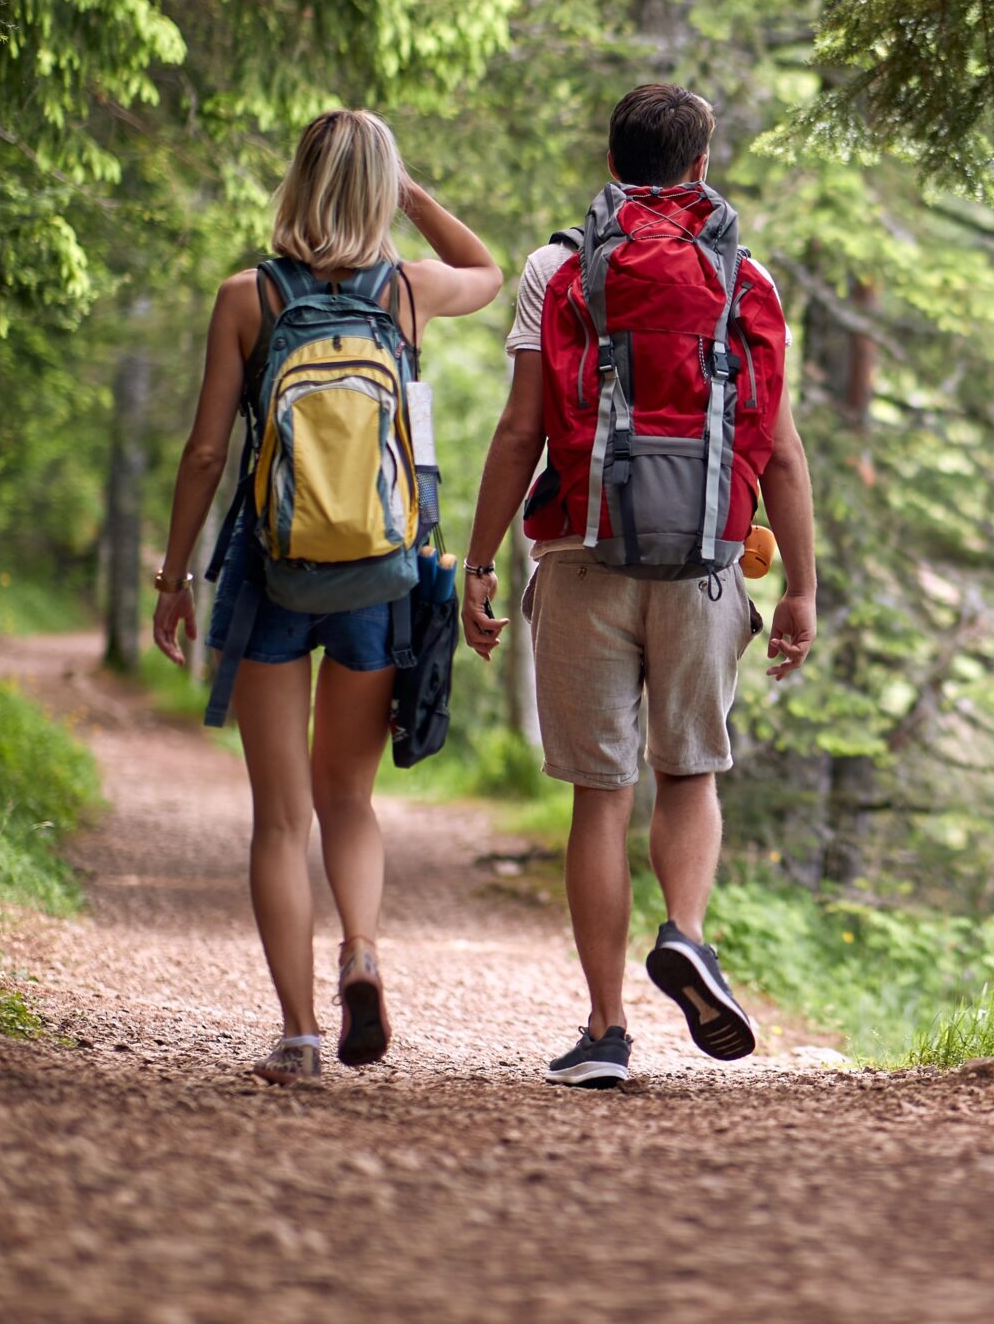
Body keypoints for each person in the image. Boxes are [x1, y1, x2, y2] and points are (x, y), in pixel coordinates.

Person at [462, 83, 817, 1086]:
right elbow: (780, 449)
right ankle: (689, 933)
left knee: (598, 794)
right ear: (701, 167)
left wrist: (477, 561)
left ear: (611, 161)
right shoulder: (746, 275)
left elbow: (521, 428)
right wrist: (799, 587)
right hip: (706, 557)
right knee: (688, 771)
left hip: (579, 555)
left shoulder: (556, 268)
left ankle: (607, 1028)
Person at [152, 110, 503, 1084]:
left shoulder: (247, 296)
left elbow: (207, 452)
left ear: (297, 182)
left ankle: (300, 1036)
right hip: (378, 575)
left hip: (272, 572)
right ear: (380, 190)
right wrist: (412, 195)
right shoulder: (408, 291)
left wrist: (175, 577)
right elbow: (487, 268)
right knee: (348, 795)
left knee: (279, 817)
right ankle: (360, 948)